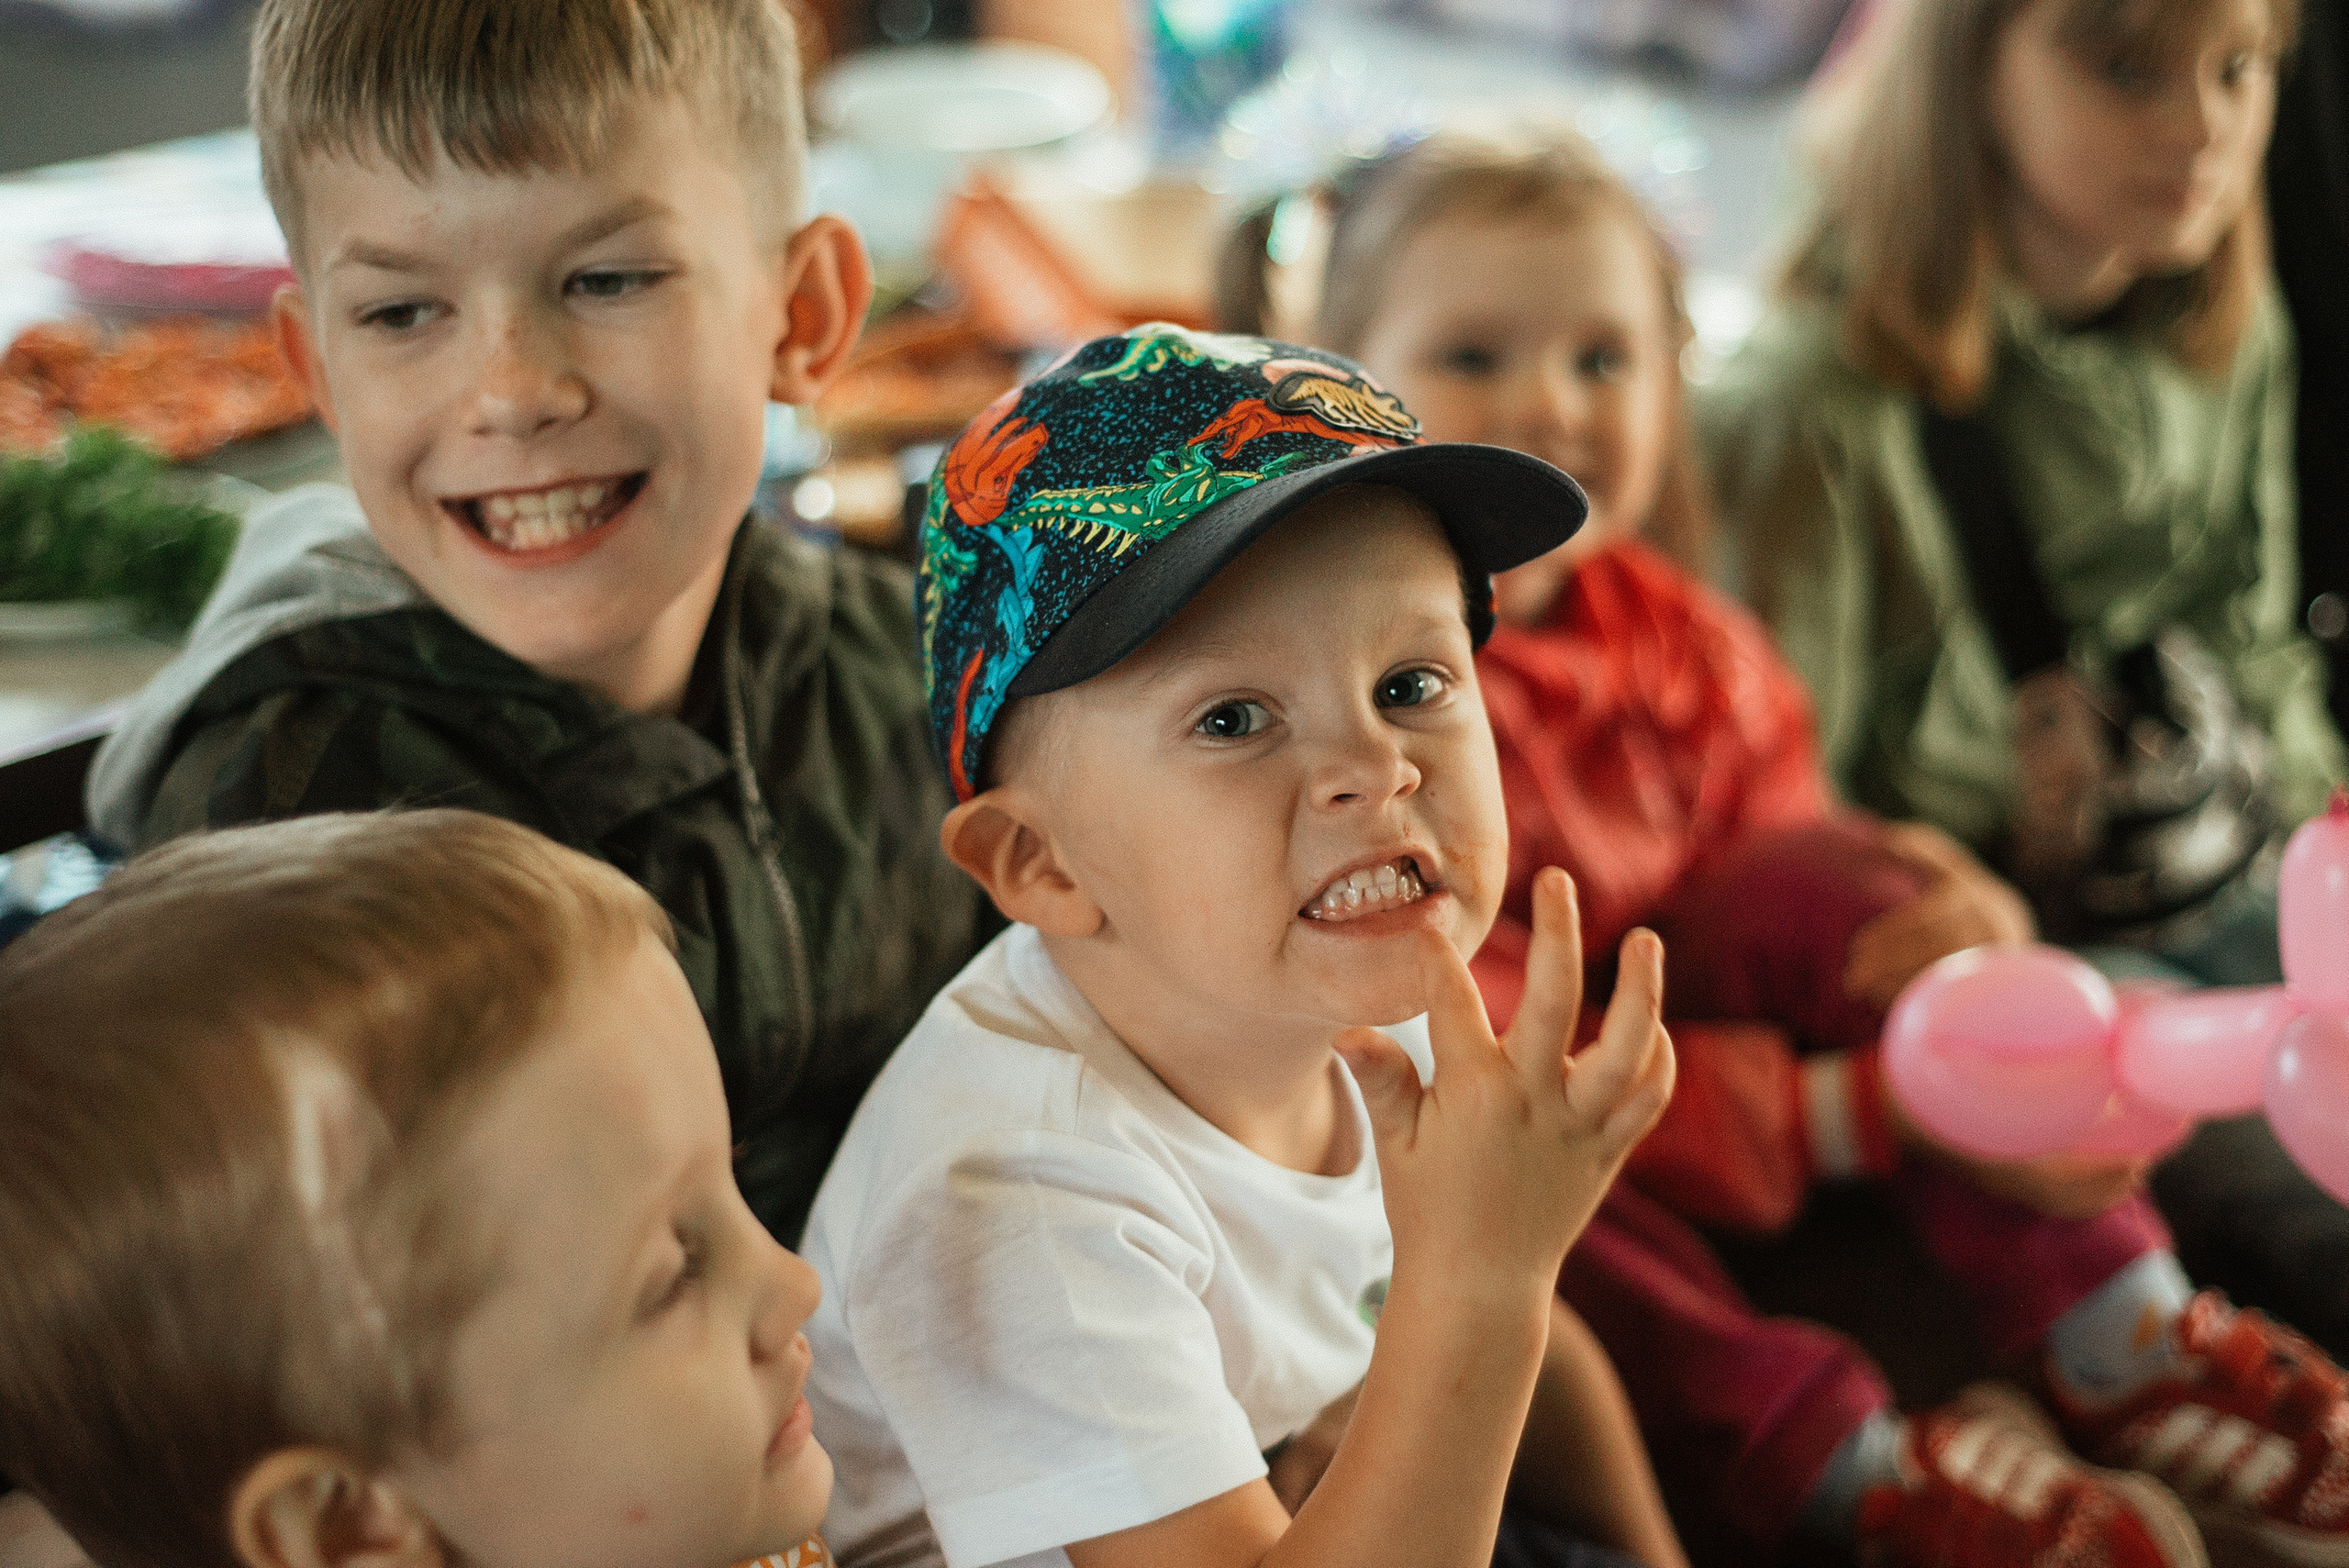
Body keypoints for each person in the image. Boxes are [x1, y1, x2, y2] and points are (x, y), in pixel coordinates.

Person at [1214, 120, 2349, 1568]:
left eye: (1603, 360)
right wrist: (1849, 1113)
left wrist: (1959, 933)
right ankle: (1858, 1473)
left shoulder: (1680, 637)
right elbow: (1470, 1039)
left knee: (1860, 881)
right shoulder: (1382, 717)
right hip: (1543, 1107)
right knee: (1504, 1200)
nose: (1551, 402)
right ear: (1343, 379)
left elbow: (1795, 883)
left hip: (1710, 1040)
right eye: (1479, 357)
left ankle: (2119, 1331)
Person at [78, 0, 993, 1251]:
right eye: (402, 314)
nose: (511, 392)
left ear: (805, 313)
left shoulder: (917, 670)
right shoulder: (285, 815)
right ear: (317, 371)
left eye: (607, 279)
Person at [801, 323, 1684, 1568]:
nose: (1373, 770)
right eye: (1232, 718)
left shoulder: (1356, 989)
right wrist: (1481, 1279)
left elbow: (1548, 1365)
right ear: (1042, 866)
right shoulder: (1014, 1191)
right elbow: (1493, 1319)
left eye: (1411, 683)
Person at [1707, 0, 2349, 1361]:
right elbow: (1777, 811)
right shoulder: (1802, 407)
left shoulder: (2226, 328)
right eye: (2124, 65)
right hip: (2031, 948)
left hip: (2237, 866)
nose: (2204, 127)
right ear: (1963, 66)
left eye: (2242, 69)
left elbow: (2259, 641)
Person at [0, 810, 838, 1568]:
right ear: (351, 1525)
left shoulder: (708, 1519)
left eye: (729, 1172)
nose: (799, 1286)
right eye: (672, 1276)